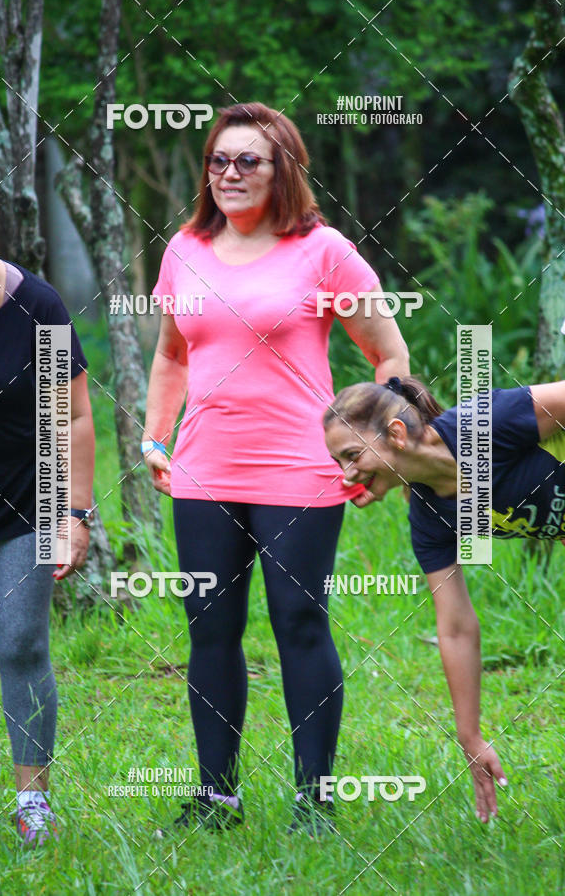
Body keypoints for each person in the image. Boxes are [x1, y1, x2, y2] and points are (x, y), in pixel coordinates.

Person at [142, 102, 409, 833]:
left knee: (299, 622)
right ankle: (217, 798)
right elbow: (170, 354)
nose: (229, 173)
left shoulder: (322, 251)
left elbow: (388, 354)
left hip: (299, 466)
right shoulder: (185, 248)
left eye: (247, 161)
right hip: (204, 469)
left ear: (281, 168)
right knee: (210, 628)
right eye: (217, 161)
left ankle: (314, 800)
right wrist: (155, 438)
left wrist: (379, 448)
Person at [323, 375, 565, 824]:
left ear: (396, 433)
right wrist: (470, 737)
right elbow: (455, 628)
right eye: (339, 461)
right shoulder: (430, 516)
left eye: (353, 455)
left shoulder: (486, 423)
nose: (347, 474)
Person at [0, 184, 95, 846]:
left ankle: (32, 802)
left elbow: (70, 417)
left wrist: (73, 514)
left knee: (20, 642)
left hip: (24, 498)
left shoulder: (36, 308)